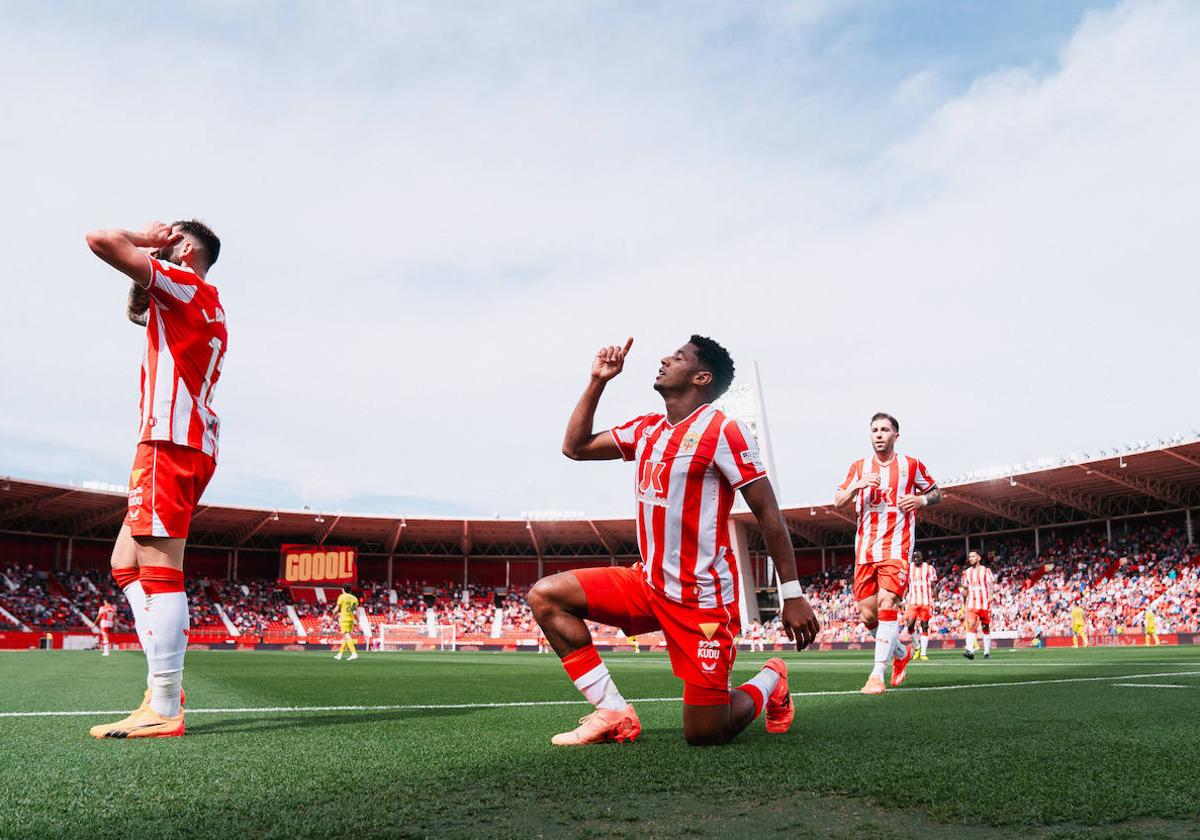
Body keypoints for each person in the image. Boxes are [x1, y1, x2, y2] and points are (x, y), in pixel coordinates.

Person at [528, 336, 819, 746]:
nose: (664, 358)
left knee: (705, 732)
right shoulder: (647, 429)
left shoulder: (723, 431)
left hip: (701, 599)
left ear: (702, 377)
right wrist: (598, 382)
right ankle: (612, 711)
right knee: (546, 596)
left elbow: (768, 512)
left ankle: (772, 677)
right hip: (646, 584)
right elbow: (574, 447)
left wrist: (792, 593)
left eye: (678, 357)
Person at [85, 220, 225, 739]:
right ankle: (165, 685)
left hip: (169, 439)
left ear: (184, 247)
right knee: (125, 562)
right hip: (183, 438)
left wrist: (146, 239)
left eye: (172, 233)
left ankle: (164, 703)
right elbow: (135, 311)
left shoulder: (184, 282)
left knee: (160, 566)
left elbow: (101, 240)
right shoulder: (202, 298)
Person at [834, 412, 941, 694]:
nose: (878, 434)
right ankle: (900, 653)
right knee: (867, 616)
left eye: (884, 430)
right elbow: (838, 501)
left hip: (897, 547)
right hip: (865, 551)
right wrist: (856, 486)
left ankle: (876, 674)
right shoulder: (859, 467)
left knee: (888, 602)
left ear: (896, 435)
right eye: (874, 430)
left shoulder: (911, 465)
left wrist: (920, 499)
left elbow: (936, 492)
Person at [961, 550, 994, 660]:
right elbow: (965, 589)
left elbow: (990, 585)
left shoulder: (986, 571)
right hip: (972, 604)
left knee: (985, 627)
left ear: (979, 558)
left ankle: (987, 652)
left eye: (973, 556)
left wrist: (990, 597)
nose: (971, 558)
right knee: (971, 625)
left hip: (984, 603)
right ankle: (970, 651)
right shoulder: (966, 572)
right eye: (969, 557)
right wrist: (964, 602)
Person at [905, 551, 937, 660]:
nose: (916, 558)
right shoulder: (909, 568)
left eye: (918, 556)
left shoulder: (929, 568)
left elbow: (933, 585)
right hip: (913, 601)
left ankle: (923, 653)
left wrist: (936, 599)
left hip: (926, 601)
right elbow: (906, 585)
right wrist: (903, 598)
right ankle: (918, 647)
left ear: (922, 557)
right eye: (914, 557)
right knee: (909, 625)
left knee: (924, 625)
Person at [335, 585, 361, 660]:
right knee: (346, 637)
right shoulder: (354, 598)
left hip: (344, 618)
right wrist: (358, 620)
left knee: (347, 636)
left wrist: (333, 615)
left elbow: (337, 608)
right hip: (351, 619)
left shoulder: (342, 597)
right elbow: (357, 611)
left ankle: (354, 653)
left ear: (343, 589)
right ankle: (340, 654)